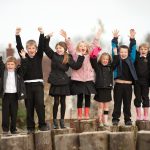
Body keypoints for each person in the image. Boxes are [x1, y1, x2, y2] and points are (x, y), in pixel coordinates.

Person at [44, 34, 84, 129]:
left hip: (64, 81)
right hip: (55, 81)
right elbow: (46, 48)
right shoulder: (53, 55)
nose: (58, 49)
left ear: (64, 48)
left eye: (60, 48)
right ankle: (55, 122)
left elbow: (76, 66)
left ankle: (62, 122)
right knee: (56, 102)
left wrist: (81, 57)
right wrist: (47, 38)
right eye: (57, 48)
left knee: (63, 102)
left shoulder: (68, 57)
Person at [60, 29, 101, 120]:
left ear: (87, 48)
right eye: (81, 46)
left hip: (88, 79)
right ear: (78, 47)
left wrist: (97, 37)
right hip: (78, 80)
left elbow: (94, 46)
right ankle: (79, 115)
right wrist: (66, 38)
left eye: (84, 46)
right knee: (80, 97)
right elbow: (70, 48)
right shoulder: (75, 55)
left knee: (87, 97)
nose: (82, 47)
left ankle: (86, 114)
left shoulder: (90, 55)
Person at [15, 27, 48, 133]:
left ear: (36, 49)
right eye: (29, 48)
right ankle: (30, 127)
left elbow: (42, 45)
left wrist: (42, 33)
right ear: (26, 49)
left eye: (33, 48)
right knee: (29, 107)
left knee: (39, 105)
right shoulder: (24, 57)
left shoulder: (39, 56)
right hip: (27, 86)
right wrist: (17, 35)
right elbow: (19, 47)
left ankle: (42, 125)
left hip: (38, 85)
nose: (31, 50)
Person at [111, 29, 138, 126]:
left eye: (125, 52)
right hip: (118, 85)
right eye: (121, 52)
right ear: (119, 52)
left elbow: (134, 50)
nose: (123, 53)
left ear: (128, 53)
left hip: (128, 86)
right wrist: (115, 39)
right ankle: (115, 119)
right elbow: (114, 49)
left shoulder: (131, 60)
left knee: (127, 104)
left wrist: (132, 39)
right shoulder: (117, 59)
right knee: (117, 103)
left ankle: (127, 119)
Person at [90, 46, 116, 126]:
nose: (105, 60)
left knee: (106, 106)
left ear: (109, 60)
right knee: (100, 105)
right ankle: (100, 121)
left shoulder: (110, 68)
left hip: (108, 88)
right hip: (100, 88)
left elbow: (116, 62)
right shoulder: (97, 67)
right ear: (100, 59)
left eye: (106, 59)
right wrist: (96, 50)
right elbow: (93, 60)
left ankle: (105, 121)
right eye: (103, 59)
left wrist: (115, 54)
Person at [0, 54, 26, 134]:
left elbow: (24, 67)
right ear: (5, 65)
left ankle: (13, 129)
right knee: (5, 113)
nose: (10, 66)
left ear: (15, 65)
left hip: (14, 95)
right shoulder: (3, 72)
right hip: (6, 95)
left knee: (14, 113)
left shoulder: (18, 73)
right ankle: (5, 129)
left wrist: (23, 58)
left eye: (12, 64)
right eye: (8, 64)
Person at [131, 29, 150, 120]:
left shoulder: (149, 58)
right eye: (141, 49)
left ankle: (146, 115)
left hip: (146, 81)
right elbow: (133, 49)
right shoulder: (137, 58)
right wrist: (133, 38)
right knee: (138, 97)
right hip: (137, 81)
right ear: (139, 50)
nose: (143, 50)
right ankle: (139, 115)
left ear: (148, 50)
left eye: (145, 49)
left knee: (145, 97)